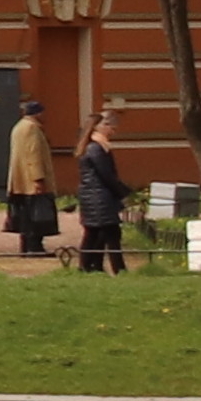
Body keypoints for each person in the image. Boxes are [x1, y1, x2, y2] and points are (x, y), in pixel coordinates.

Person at [73, 106, 130, 275]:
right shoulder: (97, 148)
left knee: (95, 235)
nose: (113, 132)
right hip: (99, 198)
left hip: (94, 197)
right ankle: (118, 270)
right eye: (111, 128)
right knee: (110, 234)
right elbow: (107, 176)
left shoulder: (93, 146)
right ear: (101, 126)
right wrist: (124, 194)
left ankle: (91, 267)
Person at [4, 94, 54, 258]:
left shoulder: (18, 127)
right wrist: (38, 178)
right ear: (37, 113)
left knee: (24, 215)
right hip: (31, 181)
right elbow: (34, 154)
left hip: (19, 181)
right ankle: (35, 247)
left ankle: (25, 247)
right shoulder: (32, 129)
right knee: (37, 215)